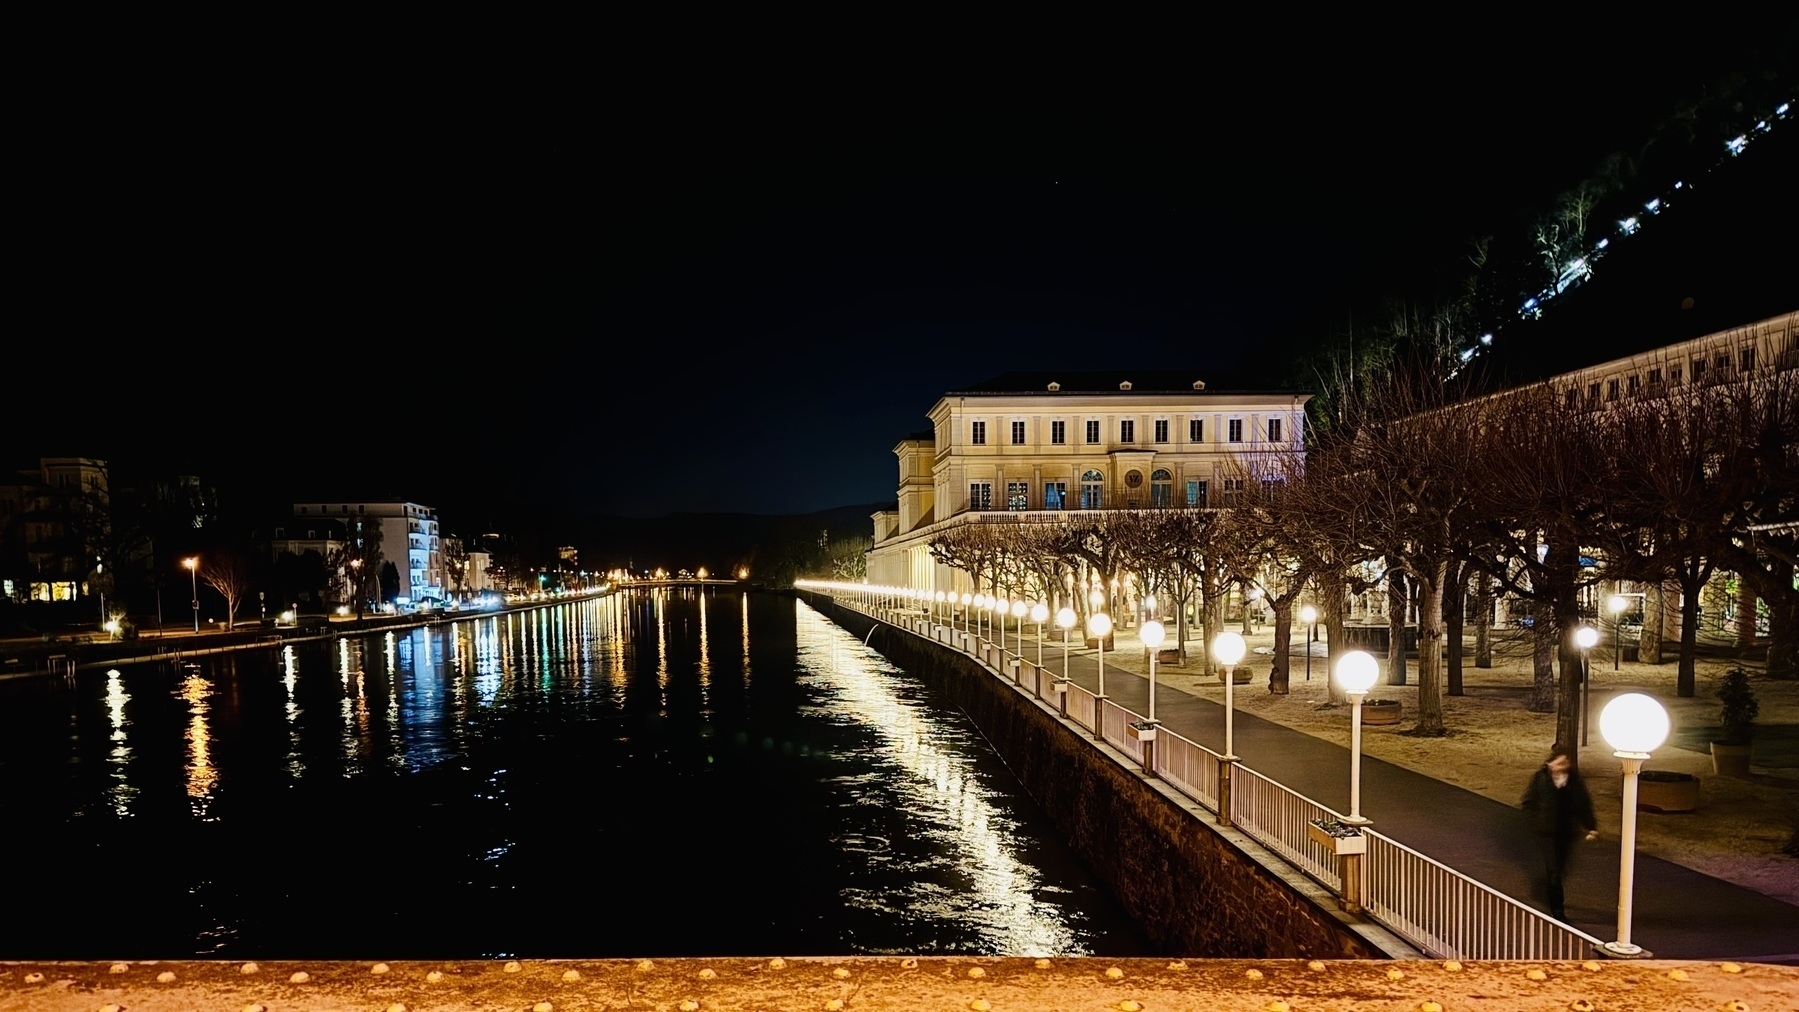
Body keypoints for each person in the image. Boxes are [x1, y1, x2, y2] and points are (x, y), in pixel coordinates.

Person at [1520, 745, 1599, 920]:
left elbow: (1583, 803)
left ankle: (1550, 891)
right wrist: (1536, 821)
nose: (1563, 766)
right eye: (1560, 762)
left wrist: (1591, 826)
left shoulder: (1574, 781)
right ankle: (1558, 910)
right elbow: (1529, 801)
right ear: (1551, 763)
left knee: (1562, 869)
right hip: (1547, 832)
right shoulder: (1540, 779)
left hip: (1566, 832)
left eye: (1566, 762)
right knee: (1554, 872)